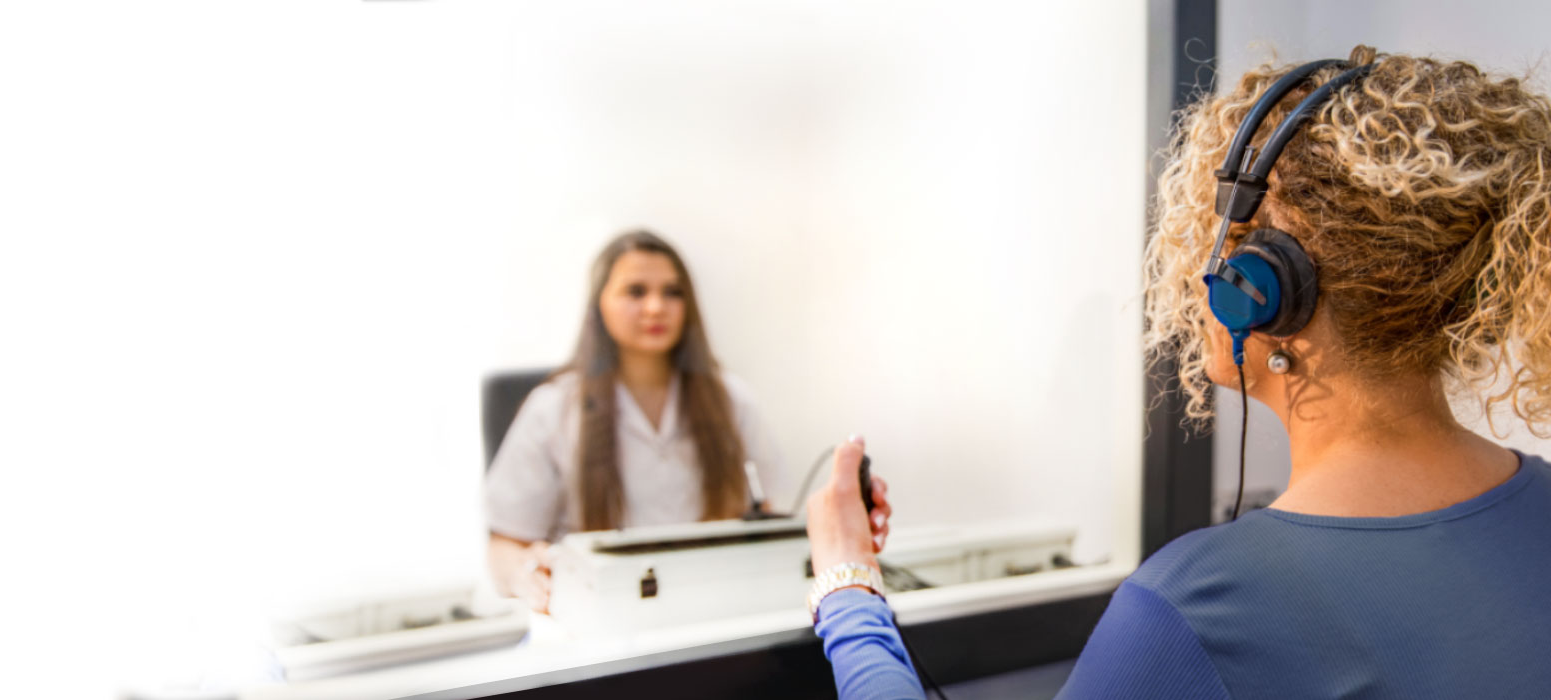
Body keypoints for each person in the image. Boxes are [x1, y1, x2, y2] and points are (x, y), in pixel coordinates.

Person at [805, 46, 1551, 698]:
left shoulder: (1202, 608)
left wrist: (848, 586)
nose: (1199, 271)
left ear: (1264, 290)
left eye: (1219, 239)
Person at [485, 229, 785, 613]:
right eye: (636, 292)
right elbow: (504, 545)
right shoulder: (553, 408)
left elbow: (771, 516)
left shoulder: (731, 399)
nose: (657, 307)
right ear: (599, 305)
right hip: (600, 616)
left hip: (710, 608)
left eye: (673, 292)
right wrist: (524, 574)